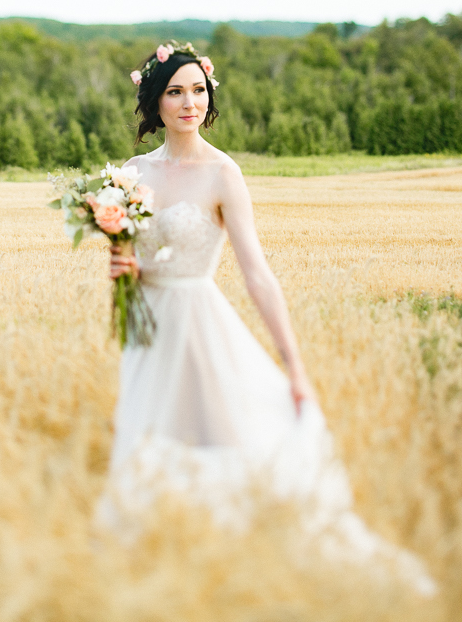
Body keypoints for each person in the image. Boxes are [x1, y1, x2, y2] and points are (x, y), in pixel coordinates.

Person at [98, 42, 435, 595]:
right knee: (145, 445)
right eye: (175, 92)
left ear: (209, 96)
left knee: (224, 446)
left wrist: (295, 366)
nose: (189, 103)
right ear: (154, 101)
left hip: (199, 322)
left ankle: (237, 573)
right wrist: (121, 265)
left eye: (198, 90)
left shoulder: (223, 174)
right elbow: (125, 268)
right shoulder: (130, 174)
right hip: (146, 333)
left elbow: (256, 274)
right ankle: (155, 579)